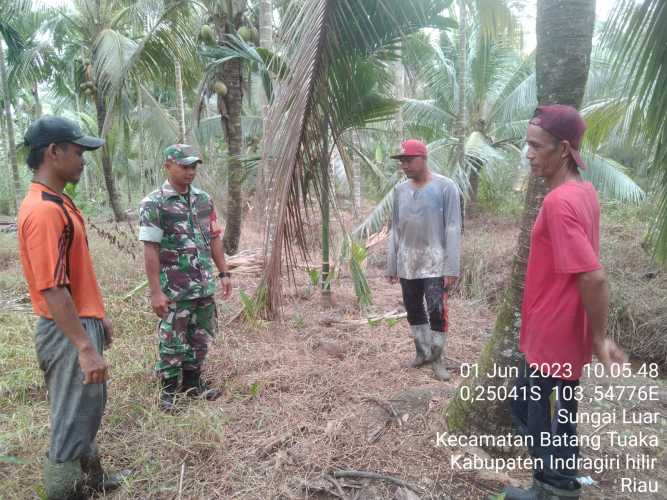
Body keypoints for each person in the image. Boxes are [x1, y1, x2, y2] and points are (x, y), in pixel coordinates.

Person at [502, 105, 627, 500]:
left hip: (554, 335)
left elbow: (593, 276)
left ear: (564, 149)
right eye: (527, 145)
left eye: (536, 146)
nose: (529, 153)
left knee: (533, 411)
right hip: (562, 331)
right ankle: (563, 481)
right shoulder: (583, 192)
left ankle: (551, 489)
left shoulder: (558, 203)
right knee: (554, 410)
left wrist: (600, 339)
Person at [17, 115, 126, 498]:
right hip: (66, 331)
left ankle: (91, 481)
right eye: (78, 152)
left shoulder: (57, 202)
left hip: (79, 321)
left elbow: (73, 276)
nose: (83, 160)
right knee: (71, 419)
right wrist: (83, 345)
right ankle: (65, 489)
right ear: (54, 152)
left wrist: (97, 317)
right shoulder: (45, 211)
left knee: (85, 408)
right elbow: (53, 289)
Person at [139, 144, 232, 413]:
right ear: (168, 165)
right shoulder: (154, 203)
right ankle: (168, 391)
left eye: (193, 166)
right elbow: (150, 249)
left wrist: (224, 272)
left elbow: (214, 237)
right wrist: (156, 291)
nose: (190, 172)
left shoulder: (204, 200)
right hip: (174, 289)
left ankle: (193, 385)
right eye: (184, 166)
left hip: (203, 285)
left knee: (200, 337)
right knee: (172, 340)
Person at [386, 139, 462, 381]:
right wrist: (392, 263)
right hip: (408, 262)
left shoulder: (446, 187)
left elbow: (452, 227)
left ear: (423, 159)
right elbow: (395, 228)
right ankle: (422, 352)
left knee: (437, 310)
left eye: (409, 160)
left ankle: (437, 358)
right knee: (413, 309)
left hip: (435, 263)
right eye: (402, 162)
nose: (405, 166)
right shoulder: (400, 191)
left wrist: (451, 266)